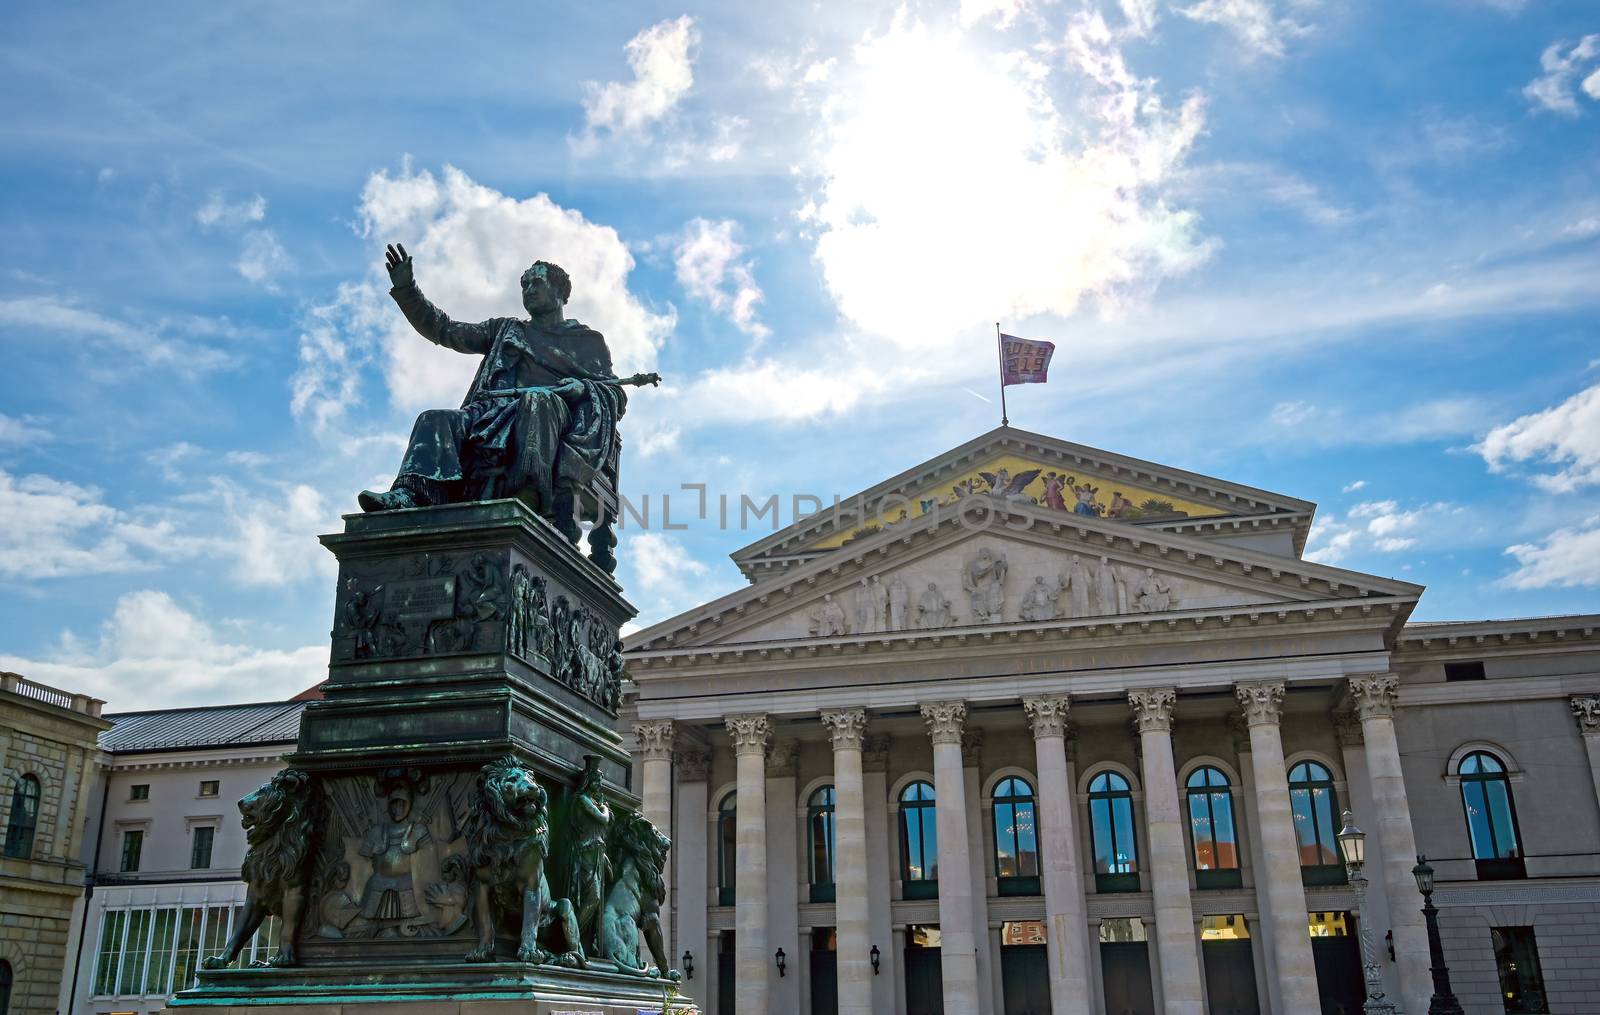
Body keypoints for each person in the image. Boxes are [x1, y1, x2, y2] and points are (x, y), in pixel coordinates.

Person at [358, 245, 636, 543]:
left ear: (561, 293)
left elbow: (614, 395)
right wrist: (407, 288)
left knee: (538, 401)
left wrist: (582, 388)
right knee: (434, 419)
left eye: (536, 283)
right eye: (524, 285)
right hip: (490, 414)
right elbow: (445, 329)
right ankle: (412, 494)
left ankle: (528, 496)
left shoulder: (588, 342)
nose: (528, 290)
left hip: (550, 420)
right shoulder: (505, 329)